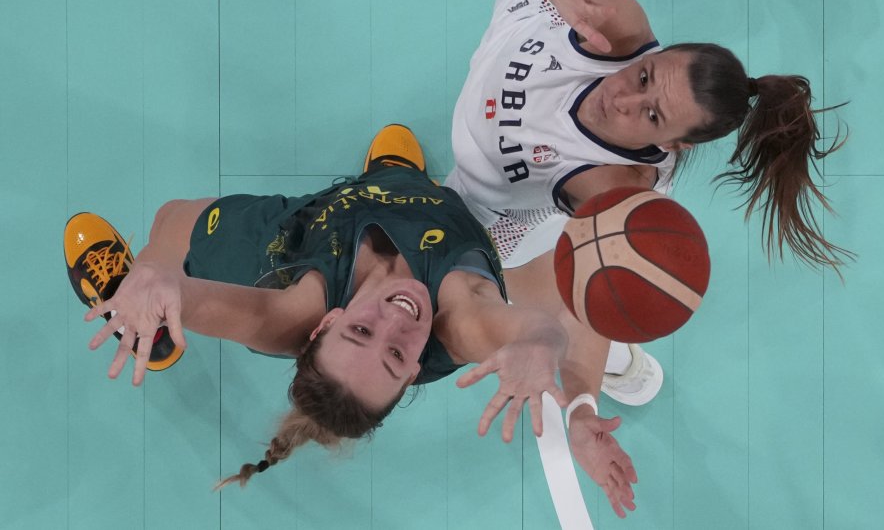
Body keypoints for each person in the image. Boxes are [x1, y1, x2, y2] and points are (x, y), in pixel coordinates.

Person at [446, 0, 851, 516]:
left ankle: (616, 350)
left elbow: (585, 304)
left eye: (652, 115)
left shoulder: (617, 187)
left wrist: (581, 407)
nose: (625, 99)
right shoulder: (619, 31)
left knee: (544, 294)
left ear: (673, 145)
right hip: (519, 18)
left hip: (484, 202)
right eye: (643, 77)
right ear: (650, 54)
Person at [65, 125, 569, 489]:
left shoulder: (291, 311)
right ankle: (395, 177)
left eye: (361, 332)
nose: (395, 322)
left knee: (169, 237)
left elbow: (192, 280)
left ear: (328, 321)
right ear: (415, 370)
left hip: (305, 234)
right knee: (407, 190)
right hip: (411, 206)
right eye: (396, 355)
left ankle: (142, 324)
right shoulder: (460, 317)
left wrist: (157, 281)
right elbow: (537, 324)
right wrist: (543, 344)